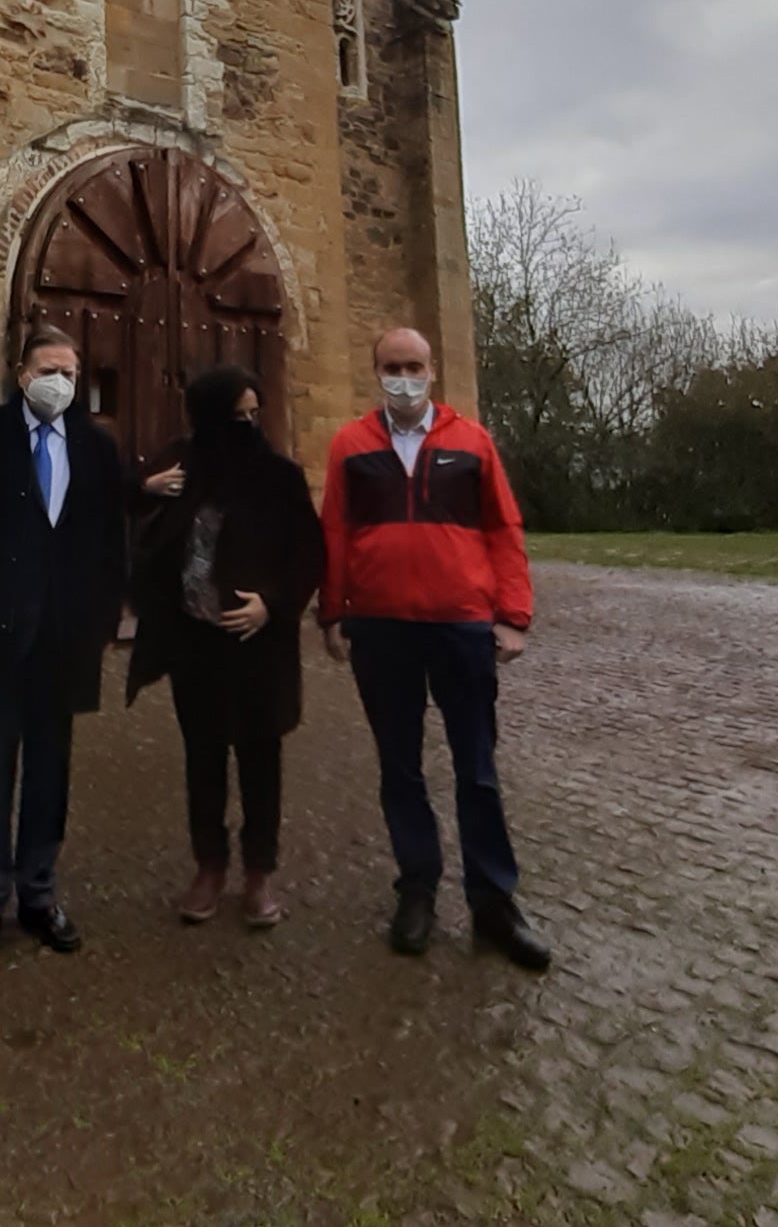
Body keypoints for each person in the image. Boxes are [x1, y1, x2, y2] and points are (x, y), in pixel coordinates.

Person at [317, 327, 552, 971]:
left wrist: (514, 616)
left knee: (477, 769)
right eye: (391, 367)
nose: (403, 377)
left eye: (414, 366)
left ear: (432, 372)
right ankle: (416, 889)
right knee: (401, 769)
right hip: (381, 628)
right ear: (376, 372)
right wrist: (332, 612)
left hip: (462, 627)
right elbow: (334, 530)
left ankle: (494, 902)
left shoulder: (472, 442)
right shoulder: (350, 444)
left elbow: (503, 527)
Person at [0, 325, 129, 969]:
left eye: (70, 373)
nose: (60, 383)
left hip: (63, 645)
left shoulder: (96, 449)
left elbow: (107, 543)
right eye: (49, 370)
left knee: (50, 777)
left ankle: (39, 895)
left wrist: (103, 623)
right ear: (22, 374)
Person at [127, 365, 321, 929]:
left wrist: (273, 604)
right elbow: (134, 515)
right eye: (236, 416)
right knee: (204, 757)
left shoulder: (278, 476)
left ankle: (259, 871)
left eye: (254, 415)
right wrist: (146, 490)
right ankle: (209, 865)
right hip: (195, 644)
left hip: (258, 644)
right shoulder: (180, 462)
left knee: (261, 757)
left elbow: (306, 552)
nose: (247, 425)